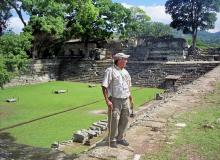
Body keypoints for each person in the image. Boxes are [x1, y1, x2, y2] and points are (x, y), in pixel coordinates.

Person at [102, 52, 134, 148]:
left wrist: (131, 99)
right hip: (115, 99)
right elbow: (104, 86)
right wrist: (107, 100)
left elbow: (128, 86)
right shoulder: (110, 71)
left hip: (125, 99)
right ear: (119, 60)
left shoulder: (125, 72)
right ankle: (112, 139)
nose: (126, 61)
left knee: (125, 119)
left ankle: (120, 137)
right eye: (124, 59)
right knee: (114, 119)